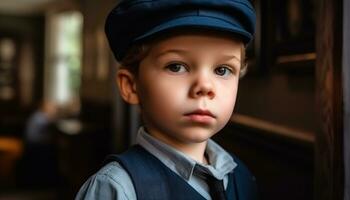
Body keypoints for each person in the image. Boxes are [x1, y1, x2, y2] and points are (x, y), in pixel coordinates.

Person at [76, 0, 257, 199]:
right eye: (176, 66)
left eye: (222, 70)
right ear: (131, 86)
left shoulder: (242, 177)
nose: (205, 86)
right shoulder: (118, 188)